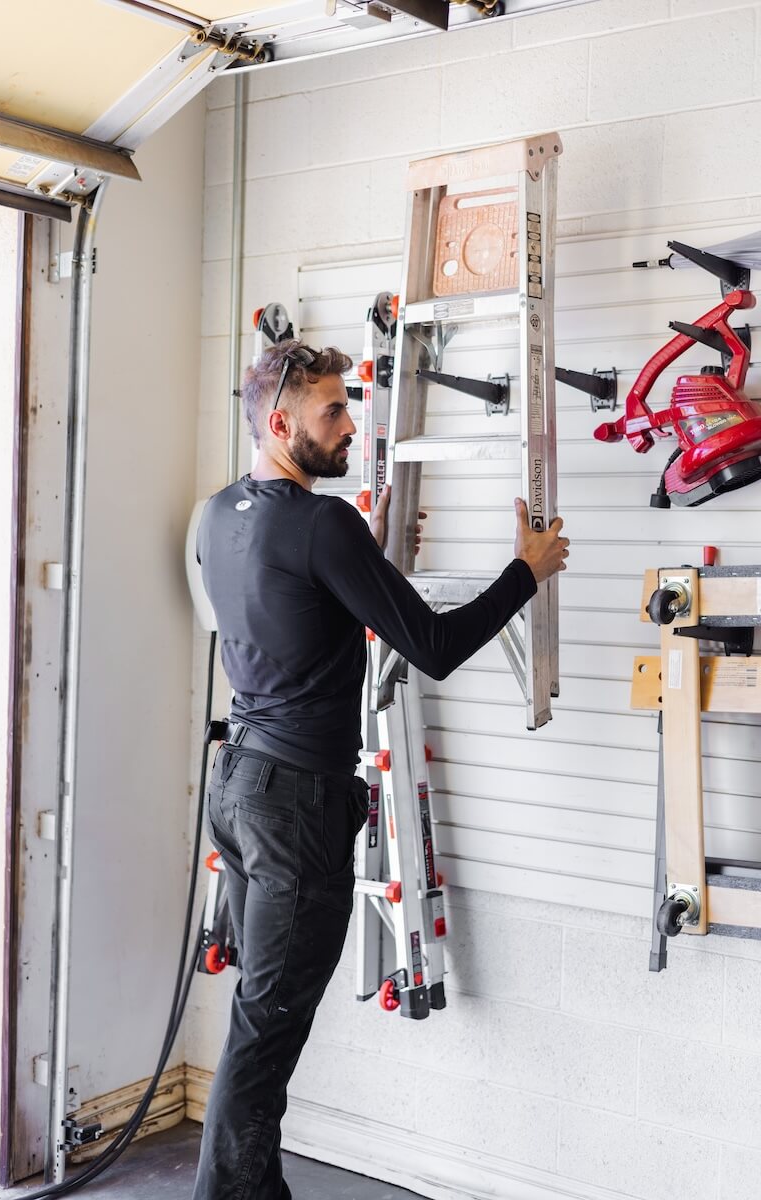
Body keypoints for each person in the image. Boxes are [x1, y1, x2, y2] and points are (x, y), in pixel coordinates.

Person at [192, 340, 569, 1200]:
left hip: (240, 790)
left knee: (259, 1026)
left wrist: (372, 558)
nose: (352, 425)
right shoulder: (325, 525)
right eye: (333, 410)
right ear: (281, 422)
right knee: (264, 1041)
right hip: (296, 810)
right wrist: (527, 572)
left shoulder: (215, 516)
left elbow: (300, 617)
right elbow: (431, 648)